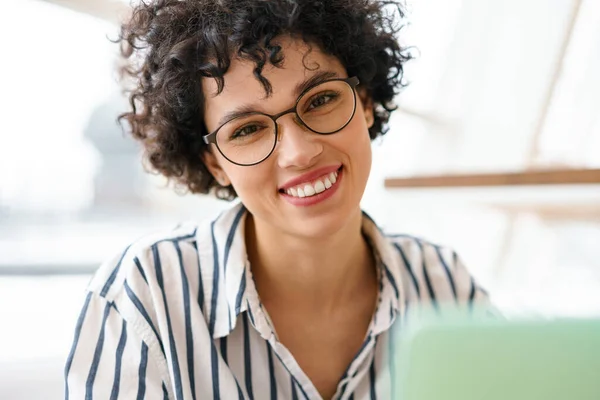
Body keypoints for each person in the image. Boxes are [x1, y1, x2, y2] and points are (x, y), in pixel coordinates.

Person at [64, 0, 491, 399]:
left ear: (364, 104)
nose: (299, 152)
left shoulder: (445, 287)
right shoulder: (143, 298)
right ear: (214, 162)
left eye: (321, 99)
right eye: (247, 130)